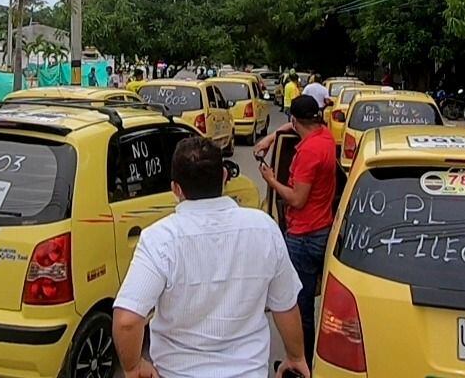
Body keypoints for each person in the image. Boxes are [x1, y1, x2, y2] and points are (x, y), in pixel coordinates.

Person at [114, 137, 310, 378]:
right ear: (224, 177)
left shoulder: (159, 239)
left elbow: (126, 321)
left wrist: (133, 367)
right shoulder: (264, 229)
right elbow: (285, 303)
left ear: (176, 189)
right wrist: (296, 356)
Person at [256, 95, 336, 367]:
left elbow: (296, 199)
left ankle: (302, 362)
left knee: (298, 306)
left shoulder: (309, 152)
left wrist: (270, 180)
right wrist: (271, 138)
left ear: (293, 118)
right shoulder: (325, 137)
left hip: (303, 234)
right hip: (322, 227)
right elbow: (294, 127)